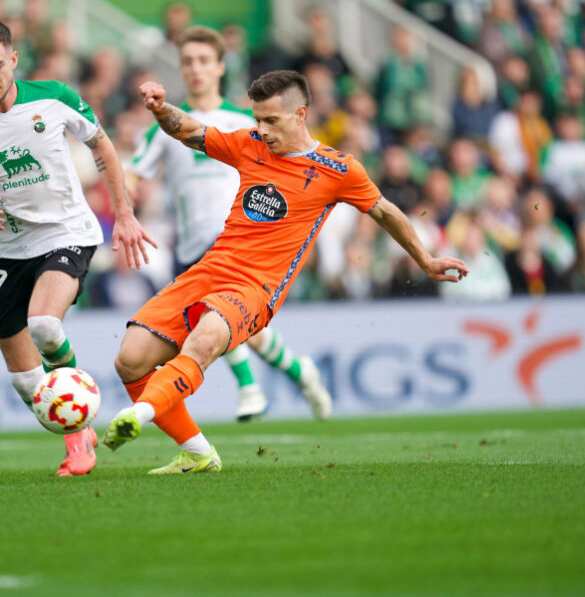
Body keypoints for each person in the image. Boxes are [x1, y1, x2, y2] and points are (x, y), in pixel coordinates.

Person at [103, 70, 468, 474]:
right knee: (130, 360)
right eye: (257, 119)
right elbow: (190, 130)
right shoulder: (249, 145)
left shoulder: (338, 170)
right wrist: (160, 108)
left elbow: (385, 211)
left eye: (271, 120)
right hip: (209, 269)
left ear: (300, 114)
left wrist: (426, 260)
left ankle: (138, 416)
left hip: (256, 289)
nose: (261, 129)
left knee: (204, 342)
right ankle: (198, 452)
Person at [0, 20, 155, 475]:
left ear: (13, 59)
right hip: (9, 249)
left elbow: (103, 146)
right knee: (25, 381)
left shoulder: (53, 96)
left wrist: (125, 213)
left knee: (46, 326)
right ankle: (77, 423)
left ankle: (79, 441)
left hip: (66, 232)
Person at [127, 26, 332, 422]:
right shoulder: (166, 126)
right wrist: (127, 194)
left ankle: (249, 388)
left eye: (204, 60)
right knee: (244, 331)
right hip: (189, 247)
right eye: (188, 62)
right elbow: (136, 170)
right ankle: (299, 371)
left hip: (239, 241)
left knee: (218, 314)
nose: (196, 69)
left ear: (221, 66)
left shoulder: (246, 121)